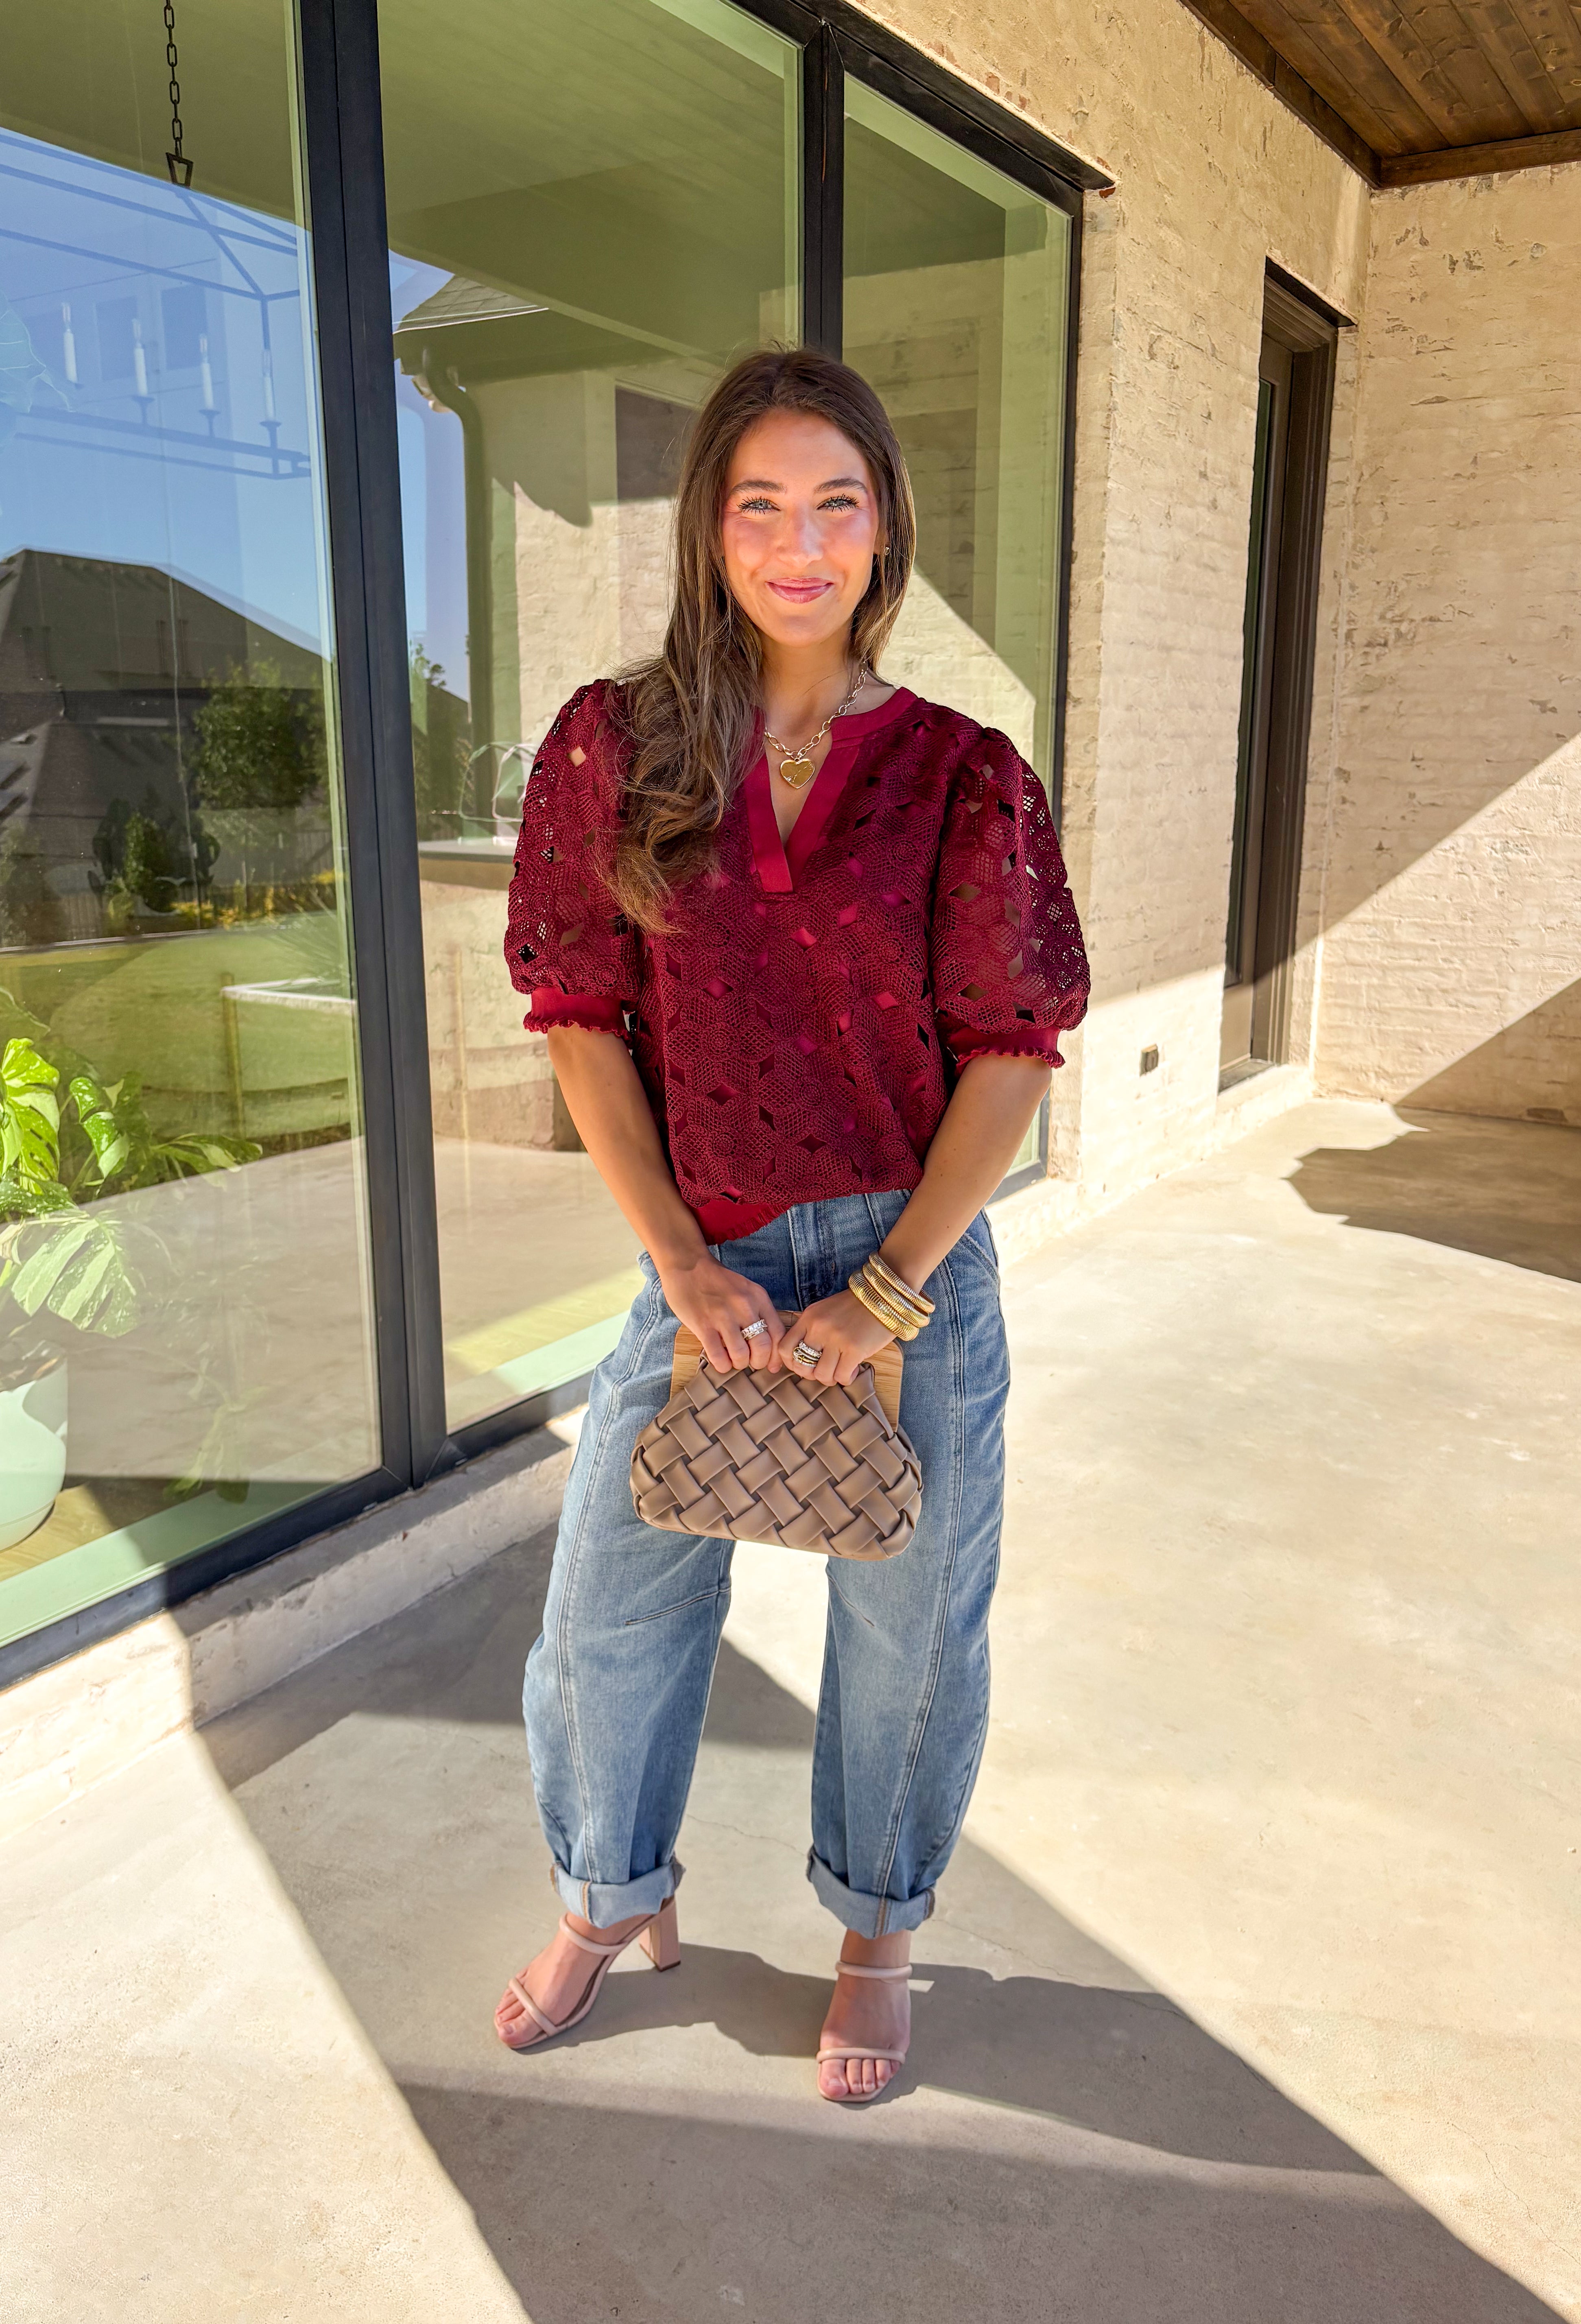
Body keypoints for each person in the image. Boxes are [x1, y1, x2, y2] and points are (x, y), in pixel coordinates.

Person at [495, 345, 1089, 2102]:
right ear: (712, 529)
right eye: (760, 503)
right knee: (610, 1604)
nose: (800, 541)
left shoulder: (968, 775)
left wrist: (891, 1296)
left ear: (884, 526)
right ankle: (611, 1898)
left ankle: (877, 1934)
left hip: (907, 1268)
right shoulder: (616, 747)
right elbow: (582, 1017)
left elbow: (1012, 1050)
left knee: (911, 1634)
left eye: (838, 501)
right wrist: (678, 1256)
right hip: (707, 1257)